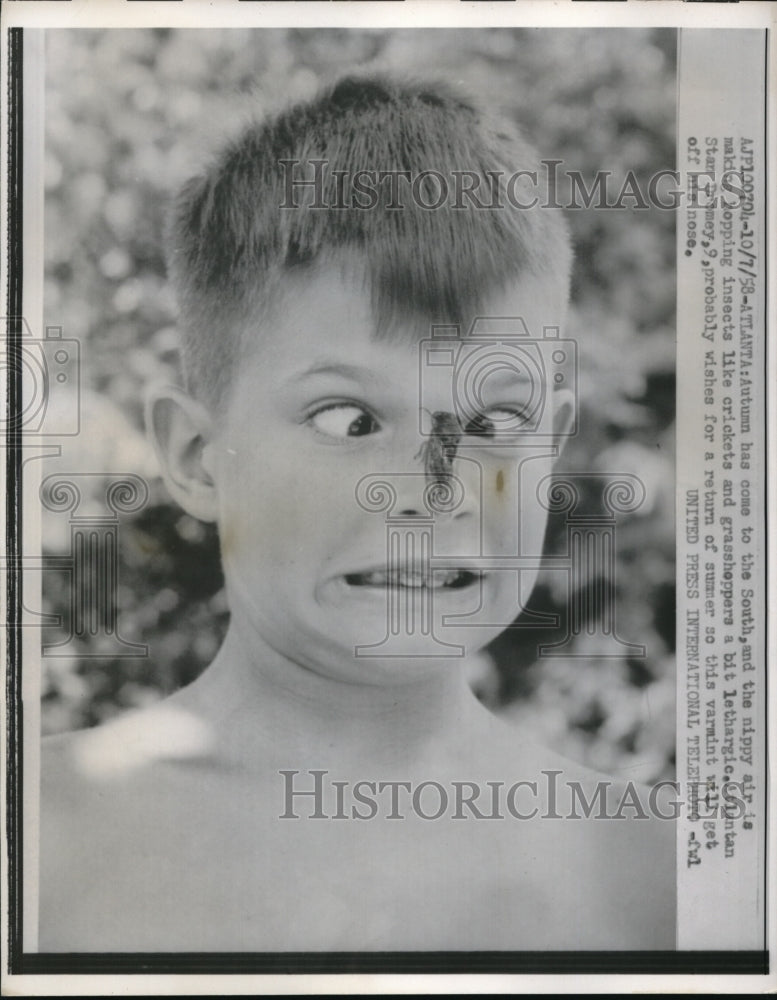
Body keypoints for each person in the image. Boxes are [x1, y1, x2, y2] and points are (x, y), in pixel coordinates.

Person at [39, 73, 675, 952]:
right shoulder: (43, 843)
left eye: (493, 422)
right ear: (196, 457)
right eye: (350, 419)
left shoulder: (655, 879)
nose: (430, 487)